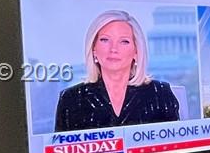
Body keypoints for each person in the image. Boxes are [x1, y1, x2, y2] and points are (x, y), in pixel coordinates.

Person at [53, 11, 181, 131]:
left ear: (136, 51)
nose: (113, 49)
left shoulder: (160, 93)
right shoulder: (71, 98)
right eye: (105, 40)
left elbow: (177, 147)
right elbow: (60, 152)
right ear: (93, 49)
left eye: (124, 41)